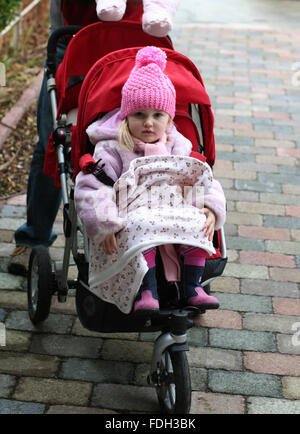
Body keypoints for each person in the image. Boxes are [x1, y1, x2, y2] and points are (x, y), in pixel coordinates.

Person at [74, 46, 226, 315]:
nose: (148, 123)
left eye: (157, 115)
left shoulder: (177, 144)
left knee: (198, 222)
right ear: (126, 116)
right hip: (133, 211)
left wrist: (210, 207)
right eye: (139, 115)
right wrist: (104, 220)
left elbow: (199, 177)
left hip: (172, 208)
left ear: (169, 119)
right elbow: (93, 187)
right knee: (141, 224)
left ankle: (193, 287)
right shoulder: (112, 148)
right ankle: (147, 290)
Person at [8, 0, 144, 275]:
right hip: (72, 37)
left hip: (133, 37)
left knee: (134, 137)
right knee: (55, 140)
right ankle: (34, 239)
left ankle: (138, 232)